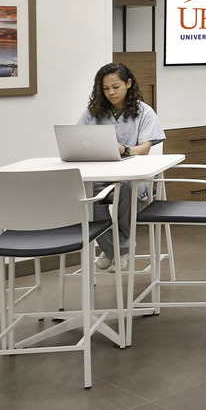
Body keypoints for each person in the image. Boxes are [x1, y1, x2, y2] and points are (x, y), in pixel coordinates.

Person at [76, 62, 165, 270]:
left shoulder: (144, 112)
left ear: (128, 84)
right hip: (101, 174)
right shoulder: (92, 112)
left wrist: (124, 149)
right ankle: (116, 250)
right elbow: (79, 139)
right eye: (105, 89)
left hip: (134, 175)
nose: (111, 93)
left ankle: (116, 250)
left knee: (126, 187)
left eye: (115, 87)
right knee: (85, 193)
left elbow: (144, 149)